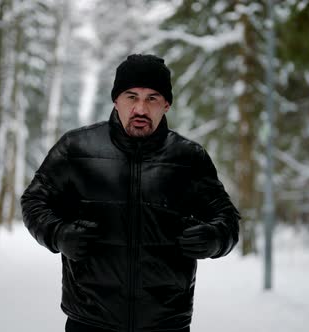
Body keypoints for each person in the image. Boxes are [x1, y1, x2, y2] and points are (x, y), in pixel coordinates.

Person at [21, 54, 240, 332]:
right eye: (131, 96)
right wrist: (58, 234)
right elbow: (34, 201)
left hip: (166, 322)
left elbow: (228, 219)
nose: (140, 108)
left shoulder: (190, 158)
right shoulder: (77, 149)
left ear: (167, 104)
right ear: (116, 100)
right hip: (90, 320)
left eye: (152, 98)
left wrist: (214, 238)